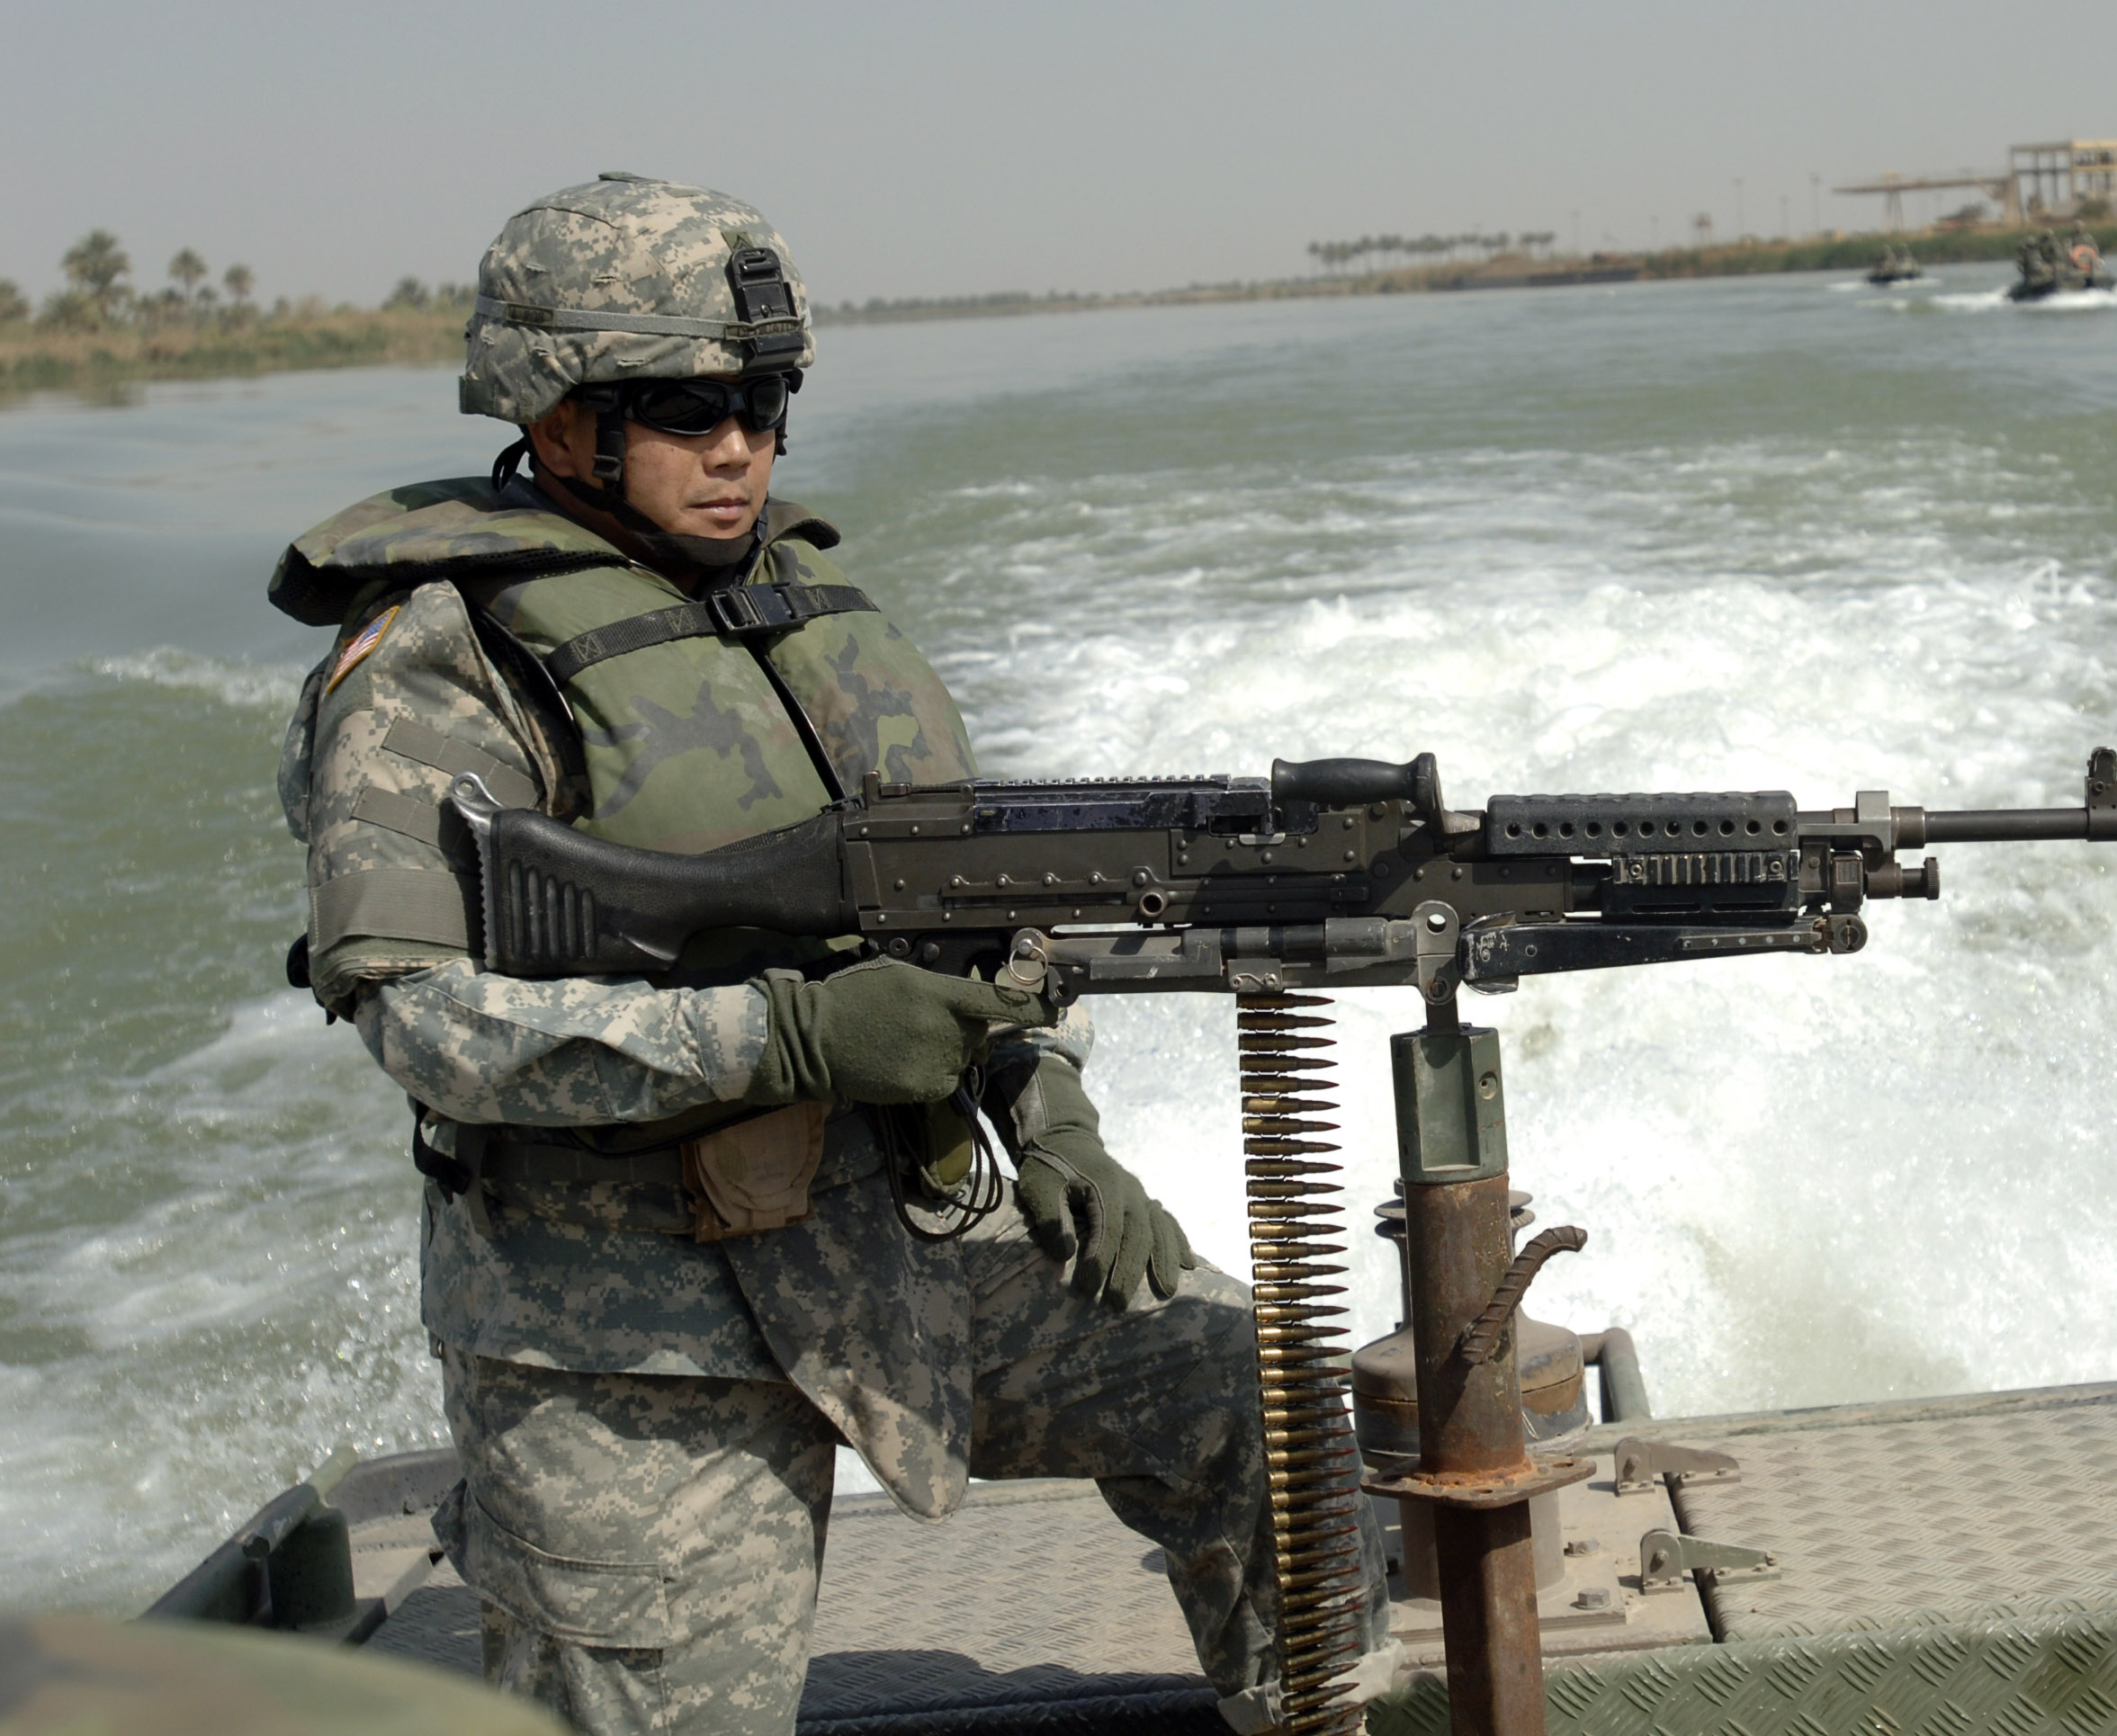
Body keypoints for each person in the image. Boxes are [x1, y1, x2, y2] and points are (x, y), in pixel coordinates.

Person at [271, 175, 1379, 1735]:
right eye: (685, 408)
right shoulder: (439, 665)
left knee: (1253, 1390)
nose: (740, 447)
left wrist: (1045, 1105)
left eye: (766, 403)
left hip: (899, 1239)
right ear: (559, 416)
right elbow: (428, 1026)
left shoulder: (810, 617)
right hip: (622, 1332)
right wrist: (785, 1039)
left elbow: (973, 935)